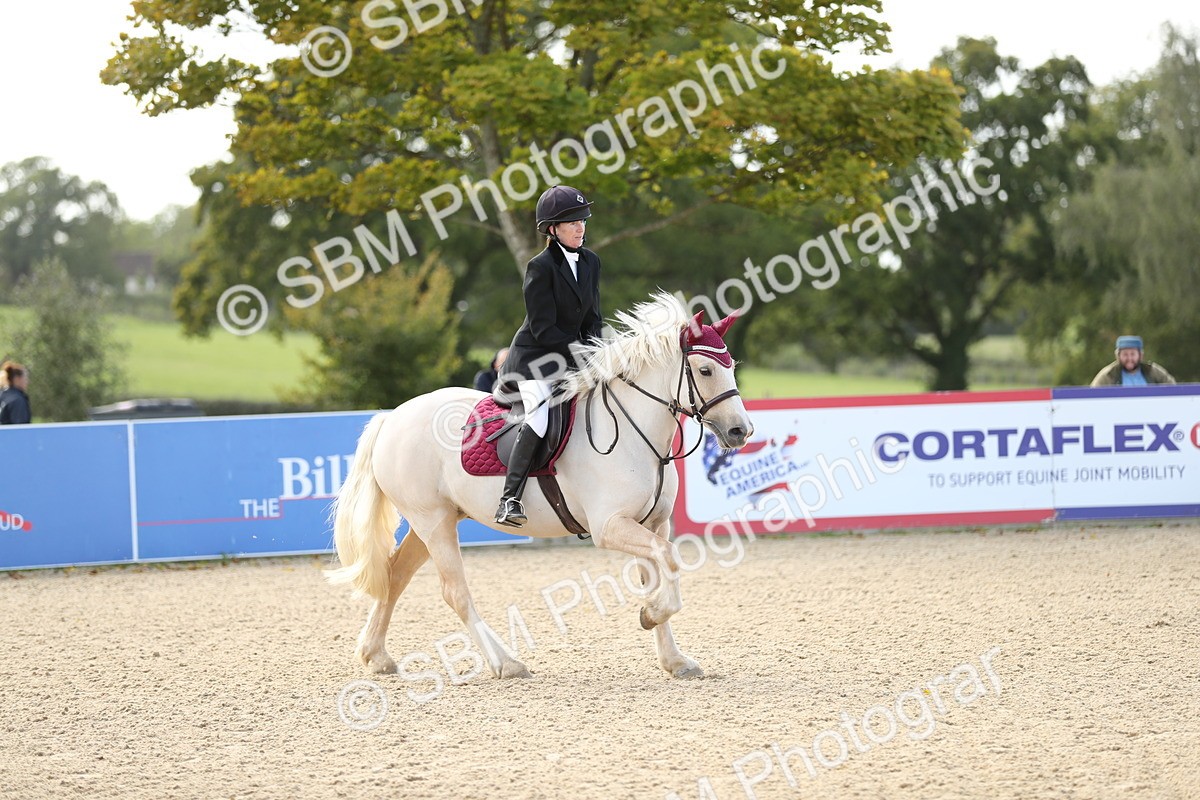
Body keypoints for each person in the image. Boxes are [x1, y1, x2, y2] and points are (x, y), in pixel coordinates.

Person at [493, 185, 604, 527]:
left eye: (582, 220)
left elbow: (593, 319)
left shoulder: (590, 262)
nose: (580, 227)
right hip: (534, 362)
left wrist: (599, 353)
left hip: (572, 356)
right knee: (539, 416)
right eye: (572, 222)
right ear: (553, 229)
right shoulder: (540, 267)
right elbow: (543, 329)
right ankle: (509, 498)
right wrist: (581, 355)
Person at [1090, 335, 1176, 387]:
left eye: (1133, 354)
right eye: (1125, 355)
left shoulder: (1153, 371)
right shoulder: (1108, 375)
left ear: (1140, 355)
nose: (1129, 359)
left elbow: (1172, 388)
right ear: (1118, 356)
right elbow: (1093, 396)